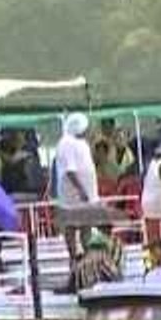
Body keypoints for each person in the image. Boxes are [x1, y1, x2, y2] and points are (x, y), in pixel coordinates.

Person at [55, 112, 98, 263]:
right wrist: (81, 189)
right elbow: (70, 170)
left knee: (86, 226)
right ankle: (74, 258)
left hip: (86, 196)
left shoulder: (82, 143)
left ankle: (88, 257)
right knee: (71, 227)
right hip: (73, 196)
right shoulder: (66, 143)